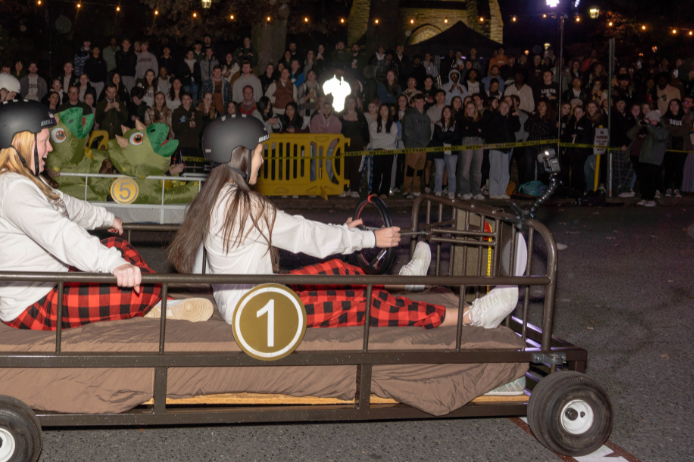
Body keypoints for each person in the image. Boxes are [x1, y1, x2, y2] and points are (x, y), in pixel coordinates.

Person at [166, 116, 519, 333]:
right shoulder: (245, 204)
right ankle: (473, 318)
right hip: (257, 312)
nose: (264, 157)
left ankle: (401, 285)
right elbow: (304, 234)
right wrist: (368, 239)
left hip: (249, 299)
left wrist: (348, 237)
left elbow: (276, 240)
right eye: (259, 152)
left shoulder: (213, 197)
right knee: (362, 302)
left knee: (337, 270)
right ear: (239, 155)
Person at [0, 101, 212, 329]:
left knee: (118, 245)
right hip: (35, 303)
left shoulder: (26, 179)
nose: (49, 149)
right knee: (145, 283)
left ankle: (153, 303)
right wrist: (113, 265)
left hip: (53, 279)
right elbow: (60, 233)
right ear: (20, 142)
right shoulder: (13, 189)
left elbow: (65, 203)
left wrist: (106, 219)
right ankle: (157, 302)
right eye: (45, 141)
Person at [629, 110, 669, 206]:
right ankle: (644, 198)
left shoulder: (662, 129)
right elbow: (630, 135)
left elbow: (659, 137)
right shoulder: (646, 128)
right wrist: (639, 125)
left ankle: (651, 200)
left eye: (652, 120)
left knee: (651, 180)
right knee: (643, 180)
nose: (650, 122)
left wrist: (649, 125)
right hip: (643, 158)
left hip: (654, 159)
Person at [484, 99, 521, 199]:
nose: (505, 109)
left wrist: (515, 116)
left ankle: (502, 191)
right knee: (495, 170)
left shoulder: (508, 120)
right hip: (496, 148)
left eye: (507, 107)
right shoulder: (494, 119)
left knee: (505, 171)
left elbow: (516, 128)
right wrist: (498, 143)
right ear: (499, 108)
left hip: (506, 149)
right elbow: (489, 134)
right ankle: (494, 192)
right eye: (503, 107)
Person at [401, 93, 431, 198]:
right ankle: (407, 190)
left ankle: (416, 189)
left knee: (419, 170)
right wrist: (420, 141)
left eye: (421, 101)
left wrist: (426, 143)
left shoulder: (426, 117)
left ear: (424, 102)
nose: (419, 104)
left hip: (423, 148)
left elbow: (429, 132)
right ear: (414, 103)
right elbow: (407, 132)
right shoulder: (409, 115)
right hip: (412, 146)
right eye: (416, 102)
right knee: (409, 169)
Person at [338, 95, 368, 197]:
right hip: (344, 145)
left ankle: (355, 189)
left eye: (352, 102)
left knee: (357, 168)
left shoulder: (361, 116)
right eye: (348, 102)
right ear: (346, 104)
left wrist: (365, 144)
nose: (350, 104)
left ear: (355, 104)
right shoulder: (340, 115)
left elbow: (365, 132)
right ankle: (344, 189)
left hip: (358, 145)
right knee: (344, 168)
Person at [458, 101, 486, 200]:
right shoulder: (462, 120)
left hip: (478, 142)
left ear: (475, 109)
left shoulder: (481, 119)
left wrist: (471, 128)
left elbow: (483, 132)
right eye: (467, 107)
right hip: (467, 142)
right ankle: (465, 191)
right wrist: (475, 129)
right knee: (465, 168)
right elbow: (463, 132)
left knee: (477, 169)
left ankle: (477, 191)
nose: (469, 109)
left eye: (471, 107)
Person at [662, 99, 690, 197]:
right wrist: (676, 129)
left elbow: (685, 130)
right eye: (671, 104)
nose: (673, 106)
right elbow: (665, 129)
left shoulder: (685, 117)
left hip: (682, 147)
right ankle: (668, 188)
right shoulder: (665, 117)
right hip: (669, 147)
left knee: (679, 169)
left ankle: (677, 189)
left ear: (679, 106)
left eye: (676, 104)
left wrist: (671, 128)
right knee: (668, 168)